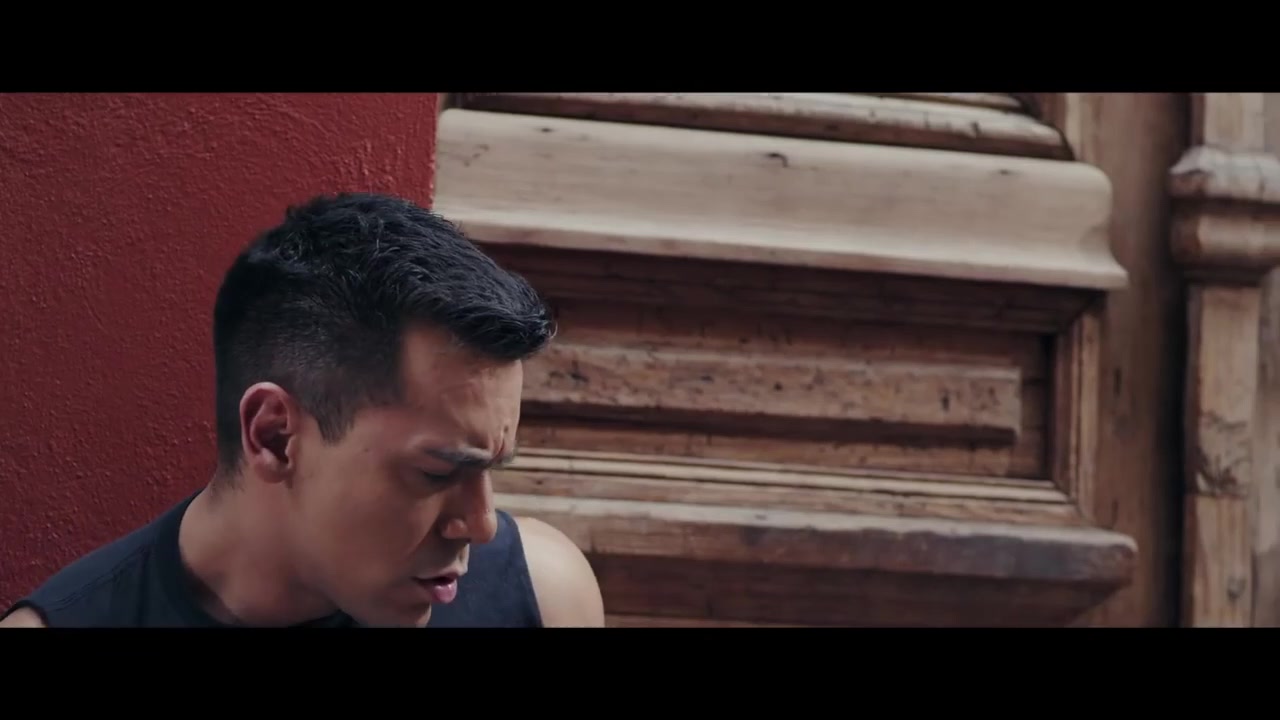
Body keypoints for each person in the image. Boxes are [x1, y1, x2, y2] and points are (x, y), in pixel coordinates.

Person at [0, 192, 605, 628]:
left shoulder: (543, 597)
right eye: (436, 473)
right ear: (274, 436)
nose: (482, 525)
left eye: (490, 468)